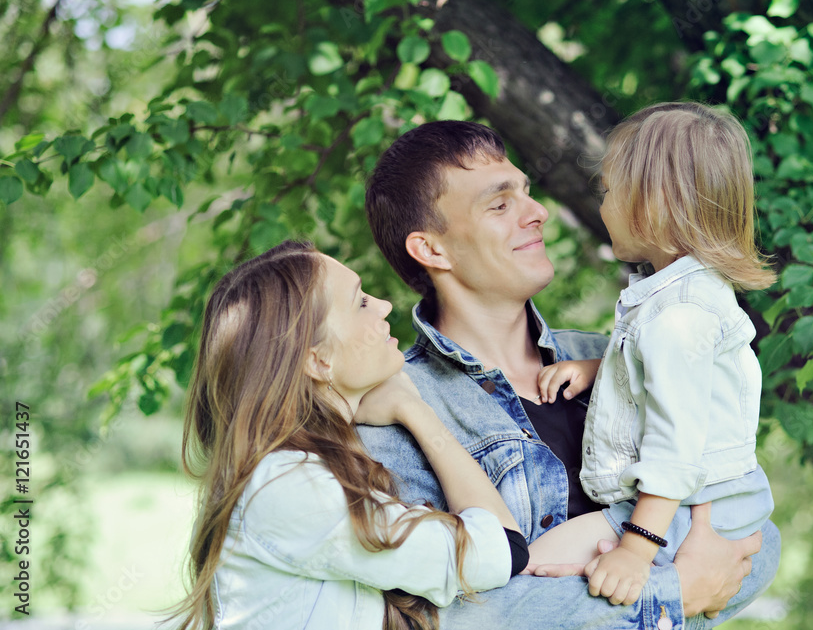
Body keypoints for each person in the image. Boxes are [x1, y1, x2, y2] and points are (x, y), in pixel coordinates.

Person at [359, 120, 780, 629]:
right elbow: (437, 619)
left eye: (527, 194)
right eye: (500, 204)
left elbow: (754, 532)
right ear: (431, 250)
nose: (537, 214)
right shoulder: (395, 410)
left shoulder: (616, 356)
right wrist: (676, 592)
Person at [170, 240, 528, 630]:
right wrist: (416, 412)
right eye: (360, 303)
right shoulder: (291, 487)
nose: (384, 305)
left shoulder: (305, 469)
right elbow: (503, 550)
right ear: (319, 360)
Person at [526, 102, 778, 609]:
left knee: (529, 572)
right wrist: (602, 371)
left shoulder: (678, 318)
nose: (601, 207)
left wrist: (636, 551)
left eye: (608, 192)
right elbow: (680, 383)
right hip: (696, 504)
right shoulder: (679, 301)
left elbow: (675, 446)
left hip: (679, 510)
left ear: (654, 203)